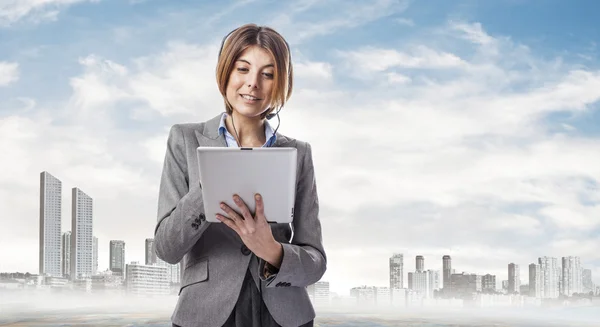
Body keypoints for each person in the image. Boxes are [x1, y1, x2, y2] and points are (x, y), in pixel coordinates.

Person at [153, 23, 327, 327]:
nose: (253, 84)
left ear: (280, 83)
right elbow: (167, 248)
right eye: (242, 69)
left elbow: (315, 262)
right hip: (205, 313)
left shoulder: (298, 153)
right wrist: (211, 186)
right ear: (226, 73)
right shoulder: (185, 139)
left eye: (268, 74)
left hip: (284, 314)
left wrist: (272, 251)